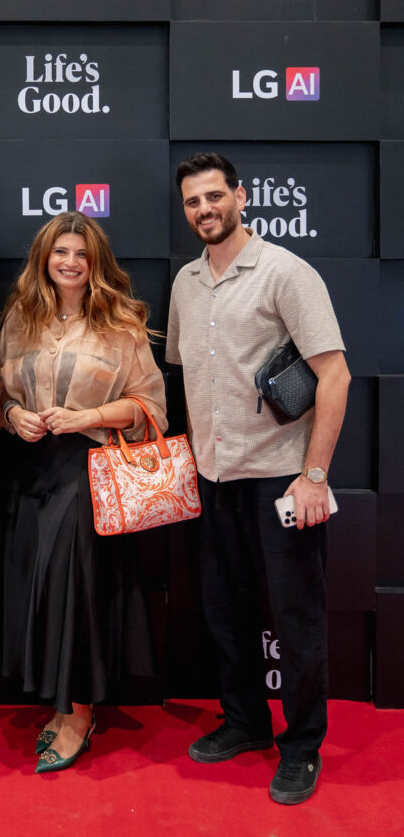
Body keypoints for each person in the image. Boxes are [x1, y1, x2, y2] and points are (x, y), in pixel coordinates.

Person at [166, 151, 350, 805]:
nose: (204, 209)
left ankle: (301, 747)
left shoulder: (285, 272)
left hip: (280, 482)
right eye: (193, 201)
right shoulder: (186, 282)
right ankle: (245, 722)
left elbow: (334, 375)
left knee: (295, 620)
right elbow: (187, 375)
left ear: (240, 197)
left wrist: (314, 475)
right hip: (213, 479)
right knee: (224, 612)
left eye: (214, 196)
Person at [0, 211, 167, 774]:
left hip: (88, 473)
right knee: (42, 590)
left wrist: (89, 415)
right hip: (28, 474)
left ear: (96, 263)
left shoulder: (121, 322)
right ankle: (60, 704)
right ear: (44, 258)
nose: (70, 262)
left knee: (75, 592)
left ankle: (79, 713)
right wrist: (14, 414)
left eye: (82, 254)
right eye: (60, 251)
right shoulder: (20, 318)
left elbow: (152, 408)